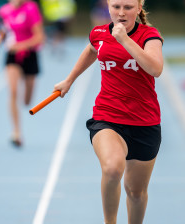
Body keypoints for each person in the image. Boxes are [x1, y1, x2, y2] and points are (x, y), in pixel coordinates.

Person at [54, 0, 163, 223]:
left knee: (135, 192)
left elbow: (155, 68)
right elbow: (92, 50)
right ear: (108, 7)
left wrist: (124, 40)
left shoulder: (149, 35)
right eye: (116, 7)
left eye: (128, 7)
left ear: (139, 8)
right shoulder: (99, 33)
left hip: (145, 122)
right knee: (113, 168)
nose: (121, 13)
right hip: (107, 117)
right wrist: (69, 80)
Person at [0, 0, 45, 147]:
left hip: (30, 54)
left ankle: (27, 96)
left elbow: (39, 37)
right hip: (12, 55)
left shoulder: (31, 8)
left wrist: (21, 46)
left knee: (27, 101)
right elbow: (3, 33)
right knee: (12, 91)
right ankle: (16, 132)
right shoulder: (3, 11)